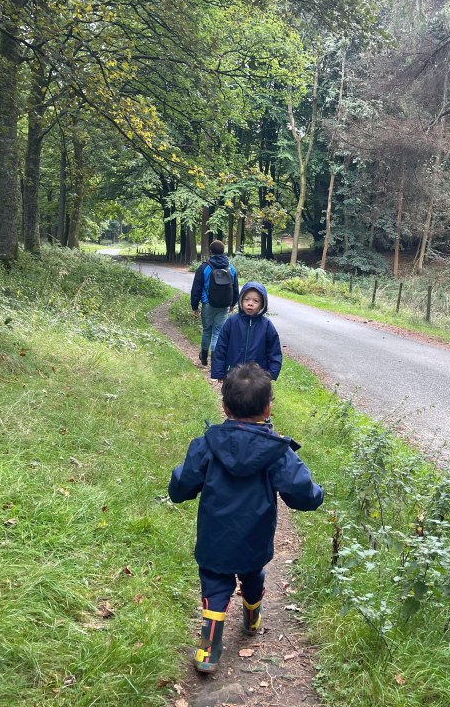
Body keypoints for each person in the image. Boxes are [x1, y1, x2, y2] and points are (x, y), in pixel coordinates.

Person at [168, 363, 324, 674]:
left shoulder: (207, 446)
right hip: (255, 537)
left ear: (225, 406)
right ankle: (252, 619)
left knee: (215, 586)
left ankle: (208, 651)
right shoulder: (276, 452)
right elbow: (302, 493)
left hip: (214, 538)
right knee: (253, 576)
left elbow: (181, 486)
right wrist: (317, 493)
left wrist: (178, 486)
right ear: (268, 408)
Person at [210, 282, 281, 382]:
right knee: (232, 393)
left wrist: (270, 374)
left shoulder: (267, 325)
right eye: (246, 299)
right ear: (241, 301)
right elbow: (221, 348)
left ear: (262, 305)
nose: (250, 303)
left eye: (256, 301)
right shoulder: (232, 322)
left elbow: (274, 352)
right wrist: (219, 372)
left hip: (257, 378)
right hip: (233, 374)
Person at [190, 240, 239, 366]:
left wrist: (194, 306)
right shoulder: (231, 268)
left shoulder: (204, 267)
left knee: (207, 331)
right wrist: (232, 304)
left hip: (207, 304)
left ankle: (204, 357)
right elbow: (235, 288)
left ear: (210, 251)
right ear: (223, 251)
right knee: (218, 332)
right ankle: (215, 360)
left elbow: (196, 288)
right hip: (224, 305)